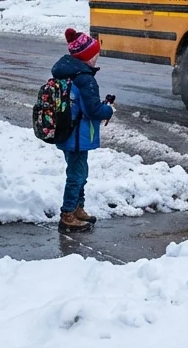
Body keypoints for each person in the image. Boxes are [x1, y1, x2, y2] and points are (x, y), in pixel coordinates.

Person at [53, 28, 114, 233]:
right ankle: (68, 215)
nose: (97, 57)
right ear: (87, 57)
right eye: (95, 54)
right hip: (78, 135)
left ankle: (78, 209)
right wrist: (108, 110)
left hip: (66, 132)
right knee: (77, 174)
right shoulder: (85, 79)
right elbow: (93, 110)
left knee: (79, 171)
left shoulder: (68, 72)